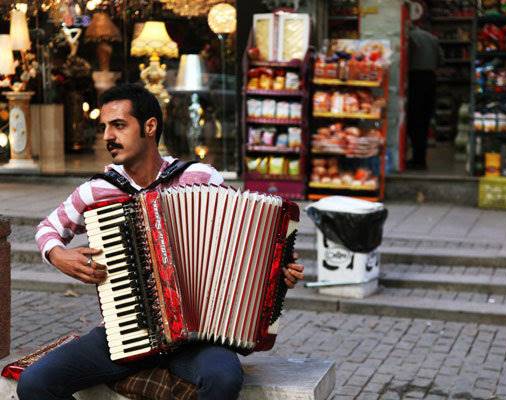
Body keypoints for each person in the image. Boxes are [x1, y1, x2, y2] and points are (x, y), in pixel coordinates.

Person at [17, 84, 305, 400]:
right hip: (125, 333)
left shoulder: (201, 177)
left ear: (150, 126)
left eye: (119, 125)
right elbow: (47, 229)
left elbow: (246, 244)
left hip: (196, 339)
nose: (107, 137)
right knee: (34, 383)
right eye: (104, 127)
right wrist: (59, 255)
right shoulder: (96, 191)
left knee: (223, 379)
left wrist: (277, 273)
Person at [407, 23, 444, 170]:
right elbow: (441, 61)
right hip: (430, 79)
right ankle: (420, 158)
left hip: (414, 79)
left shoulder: (408, 38)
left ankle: (417, 159)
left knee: (413, 120)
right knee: (424, 120)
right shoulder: (432, 38)